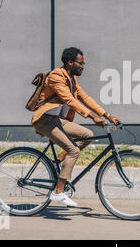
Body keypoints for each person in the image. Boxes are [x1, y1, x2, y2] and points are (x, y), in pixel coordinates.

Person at [31, 47, 120, 207]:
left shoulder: (71, 79)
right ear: (70, 62)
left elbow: (85, 98)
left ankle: (61, 157)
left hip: (57, 120)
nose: (83, 66)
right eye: (81, 63)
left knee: (87, 135)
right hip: (45, 120)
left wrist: (107, 115)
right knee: (74, 150)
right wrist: (93, 117)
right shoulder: (56, 76)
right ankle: (58, 192)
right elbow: (70, 100)